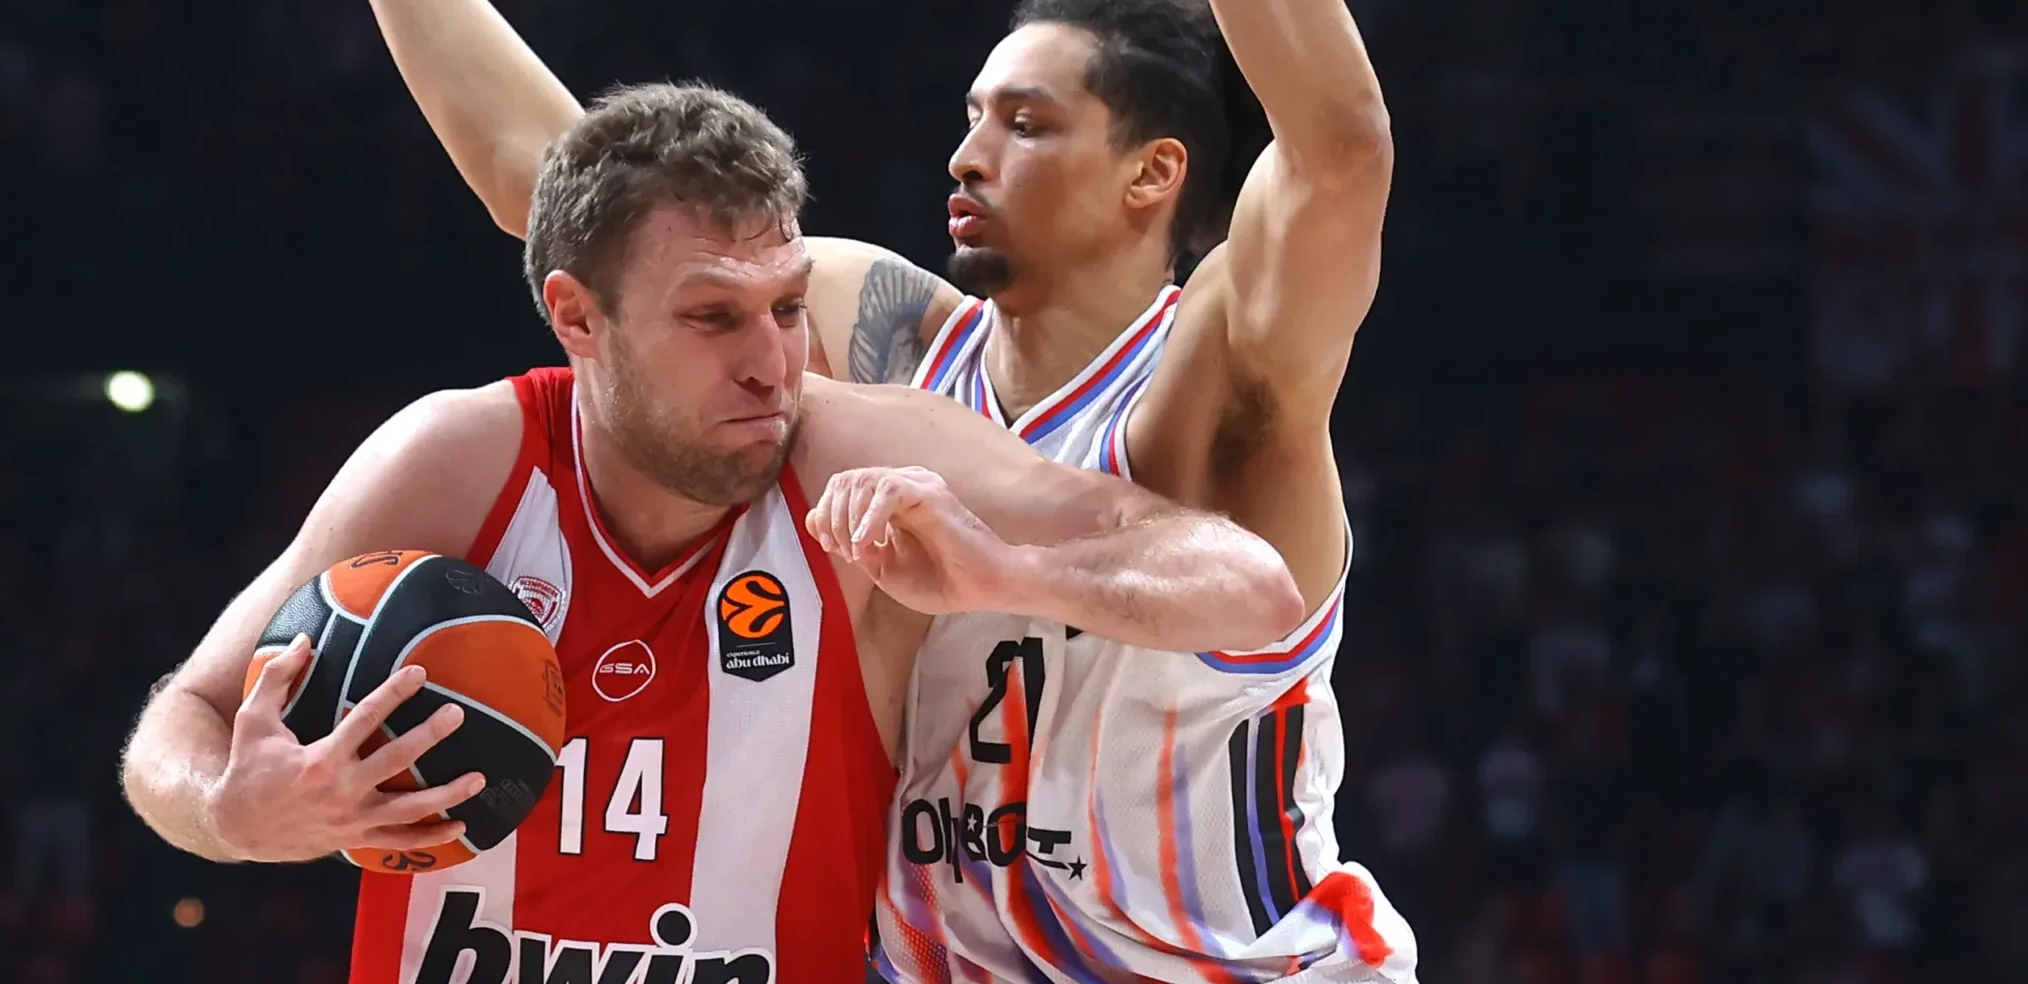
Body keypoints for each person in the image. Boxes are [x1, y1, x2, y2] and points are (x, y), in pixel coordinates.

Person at [276, 0, 1417, 980]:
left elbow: (1338, 148)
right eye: (970, 113)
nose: (967, 150)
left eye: (1027, 123)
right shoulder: (889, 349)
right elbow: (560, 188)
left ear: (1154, 177)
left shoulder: (1211, 393)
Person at [120, 80, 1301, 983]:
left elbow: (1251, 586)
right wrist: (231, 811)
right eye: (711, 317)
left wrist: (1016, 573)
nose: (771, 363)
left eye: (787, 306)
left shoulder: (860, 457)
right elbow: (185, 721)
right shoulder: (459, 465)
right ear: (577, 317)